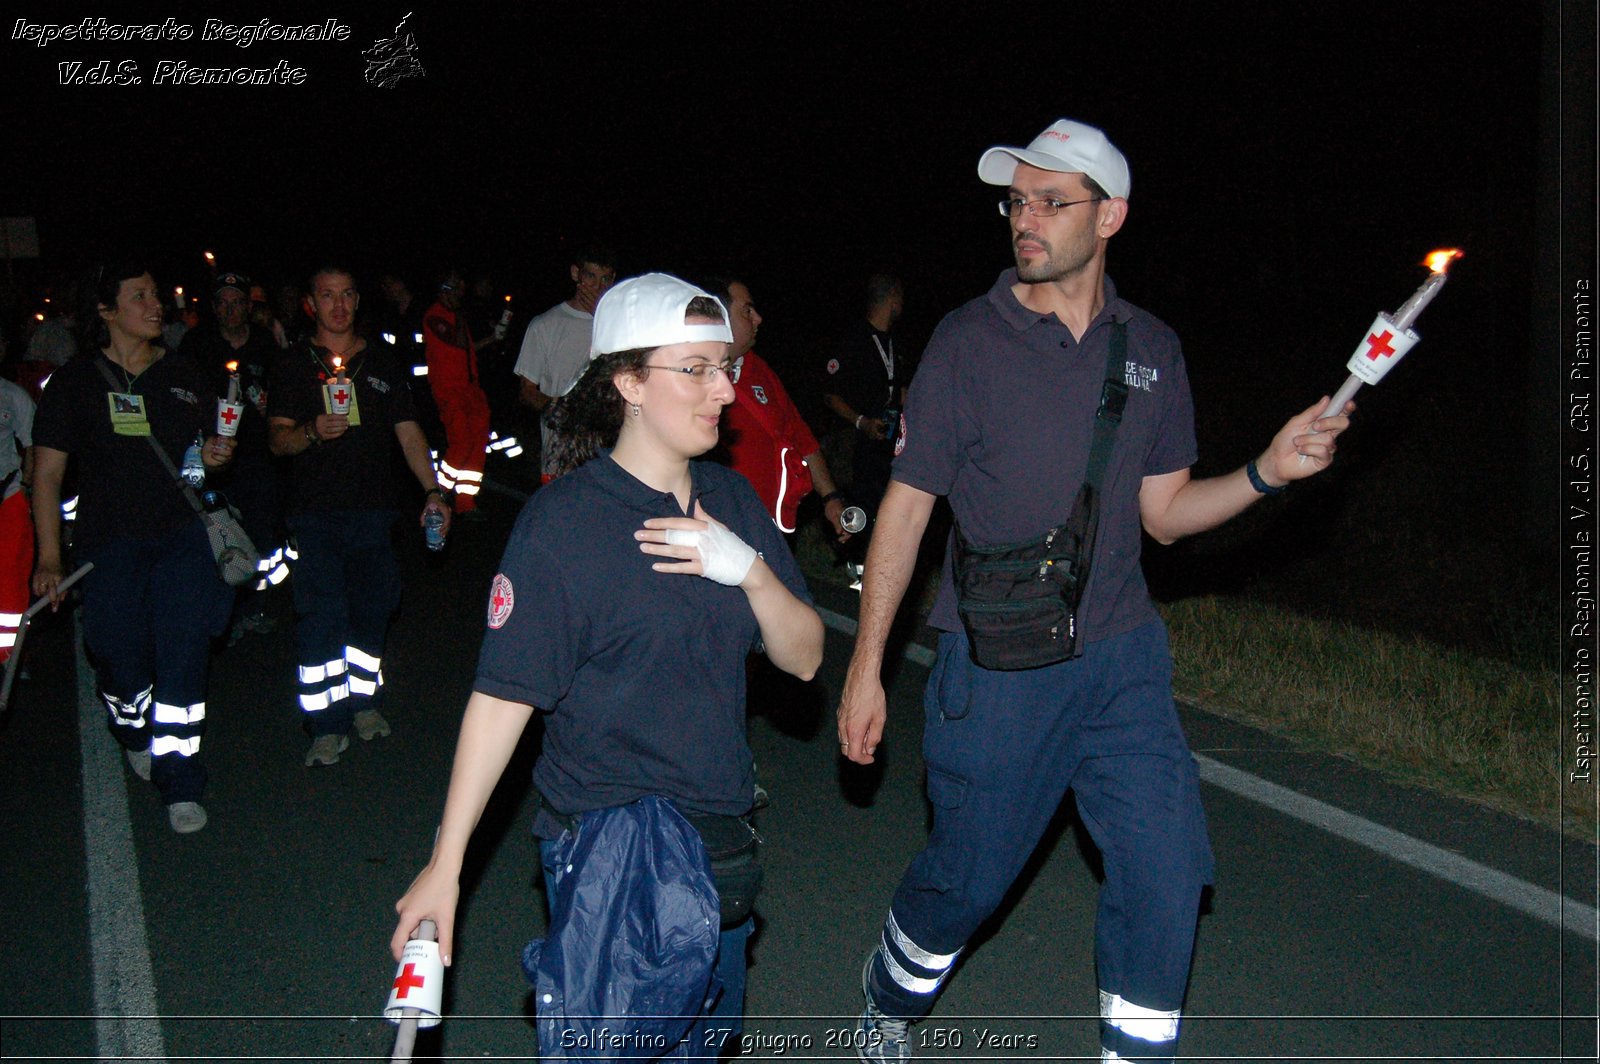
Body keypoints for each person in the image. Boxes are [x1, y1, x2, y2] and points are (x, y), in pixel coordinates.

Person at [836, 119, 1353, 1064]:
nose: (1024, 220)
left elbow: (1164, 514)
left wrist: (1268, 471)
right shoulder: (967, 341)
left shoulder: (1150, 346)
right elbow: (907, 512)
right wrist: (867, 667)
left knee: (1167, 867)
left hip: (1120, 658)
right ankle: (887, 996)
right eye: (1016, 201)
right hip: (997, 666)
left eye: (1049, 202)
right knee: (967, 883)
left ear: (1109, 216)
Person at [393, 273, 823, 1057]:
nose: (723, 390)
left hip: (719, 844)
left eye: (723, 366)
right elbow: (500, 701)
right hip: (606, 854)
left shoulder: (733, 503)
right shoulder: (563, 525)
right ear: (627, 380)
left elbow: (803, 659)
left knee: (704, 1044)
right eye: (694, 369)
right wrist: (444, 866)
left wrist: (752, 572)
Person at [30, 263, 239, 833]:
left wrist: (212, 458)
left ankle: (181, 778)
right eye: (140, 296)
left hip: (182, 540)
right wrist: (50, 557)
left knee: (182, 651)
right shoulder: (74, 382)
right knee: (117, 651)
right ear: (105, 310)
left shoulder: (183, 374)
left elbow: (198, 458)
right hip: (110, 544)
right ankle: (129, 723)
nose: (155, 305)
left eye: (155, 294)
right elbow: (46, 474)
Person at [267, 265, 451, 767]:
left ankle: (364, 702)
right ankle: (326, 725)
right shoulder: (291, 365)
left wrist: (434, 491)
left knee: (375, 607)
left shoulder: (382, 362)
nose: (339, 306)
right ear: (311, 303)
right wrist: (310, 431)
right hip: (314, 514)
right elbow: (276, 440)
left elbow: (409, 432)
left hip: (374, 511)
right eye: (327, 296)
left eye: (347, 295)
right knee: (322, 616)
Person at [179, 271, 290, 637]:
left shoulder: (264, 344)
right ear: (214, 308)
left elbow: (285, 394)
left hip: (257, 456)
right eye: (223, 303)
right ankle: (219, 610)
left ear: (247, 306)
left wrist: (269, 404)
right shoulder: (196, 345)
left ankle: (253, 606)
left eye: (238, 302)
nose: (231, 310)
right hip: (213, 459)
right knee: (217, 532)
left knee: (258, 529)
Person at [701, 275, 849, 540]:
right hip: (719, 532)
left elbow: (799, 435)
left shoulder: (759, 369)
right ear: (718, 316)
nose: (758, 318)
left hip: (772, 529)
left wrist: (831, 497)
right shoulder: (691, 378)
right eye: (747, 310)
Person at [821, 273, 907, 562]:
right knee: (859, 507)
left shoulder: (896, 342)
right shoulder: (853, 340)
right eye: (900, 298)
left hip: (888, 441)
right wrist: (861, 421)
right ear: (892, 298)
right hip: (855, 443)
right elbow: (830, 394)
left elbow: (901, 388)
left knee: (888, 507)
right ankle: (851, 564)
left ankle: (878, 564)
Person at [513, 247, 616, 482]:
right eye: (591, 276)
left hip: (608, 452)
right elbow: (527, 391)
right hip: (559, 454)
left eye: (605, 279)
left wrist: (601, 318)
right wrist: (562, 411)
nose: (598, 287)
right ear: (576, 274)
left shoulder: (617, 329)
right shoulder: (545, 325)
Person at [422, 270, 492, 516]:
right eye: (455, 290)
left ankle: (465, 501)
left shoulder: (455, 315)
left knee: (477, 442)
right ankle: (438, 493)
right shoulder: (434, 316)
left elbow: (469, 348)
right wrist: (459, 313)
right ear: (443, 290)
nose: (460, 295)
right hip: (449, 390)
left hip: (471, 389)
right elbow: (458, 341)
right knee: (461, 442)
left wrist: (493, 338)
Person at [0, 375, 35, 666]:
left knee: (10, 576)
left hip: (7, 494)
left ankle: (8, 656)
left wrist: (25, 485)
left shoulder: (12, 395)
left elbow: (33, 444)